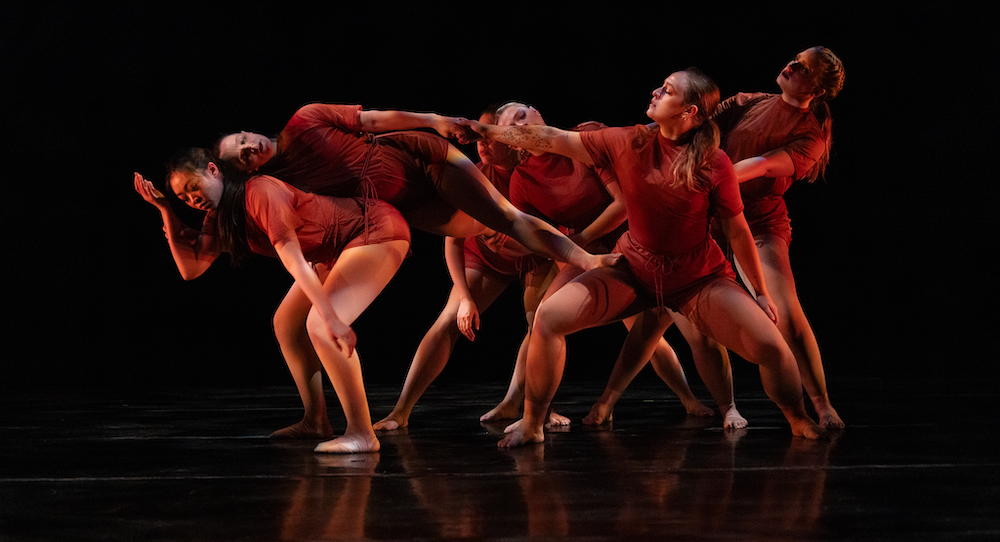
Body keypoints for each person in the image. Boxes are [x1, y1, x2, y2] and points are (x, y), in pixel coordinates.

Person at [470, 68, 825, 447]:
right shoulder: (628, 141)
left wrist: (761, 292)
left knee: (772, 348)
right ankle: (531, 421)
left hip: (696, 277)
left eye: (667, 90)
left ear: (688, 112)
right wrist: (483, 130)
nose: (656, 91)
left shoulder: (713, 161)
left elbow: (737, 230)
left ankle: (797, 416)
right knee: (548, 318)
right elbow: (551, 138)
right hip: (634, 269)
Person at [589, 47, 847, 429]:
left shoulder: (810, 135)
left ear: (818, 89)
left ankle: (820, 404)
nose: (790, 65)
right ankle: (617, 401)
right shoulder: (750, 101)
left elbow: (755, 167)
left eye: (803, 67)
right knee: (663, 314)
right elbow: (688, 121)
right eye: (795, 58)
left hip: (757, 221)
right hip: (707, 217)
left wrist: (705, 174)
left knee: (785, 314)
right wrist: (621, 140)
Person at [134, 147, 411, 453]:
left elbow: (294, 261)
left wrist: (331, 317)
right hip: (334, 250)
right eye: (184, 198)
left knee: (319, 326)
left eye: (192, 187)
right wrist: (165, 210)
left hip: (373, 230)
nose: (192, 199)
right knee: (287, 324)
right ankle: (316, 420)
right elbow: (191, 268)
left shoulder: (259, 191)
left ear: (213, 170)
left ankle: (362, 433)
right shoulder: (220, 215)